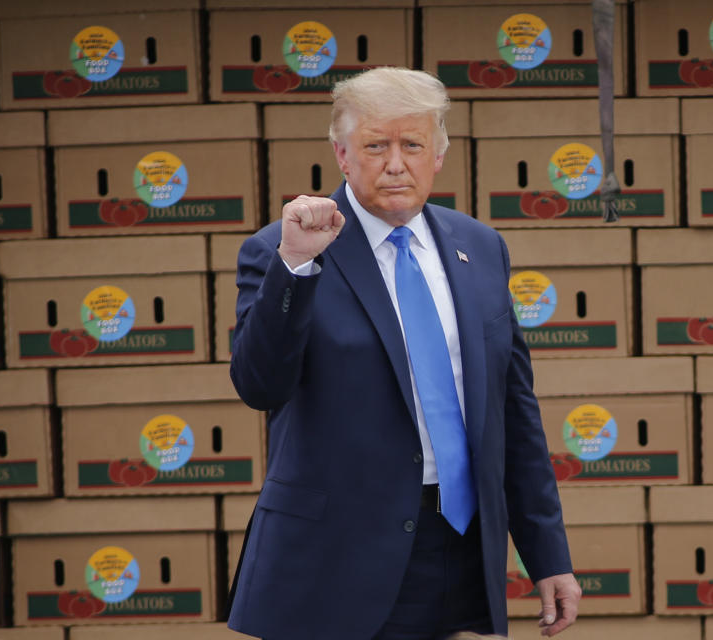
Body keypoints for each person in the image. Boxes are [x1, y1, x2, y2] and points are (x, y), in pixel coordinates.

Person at [227, 67, 581, 640]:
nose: (396, 163)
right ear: (342, 155)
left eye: (412, 144)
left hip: (457, 550)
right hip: (334, 562)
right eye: (376, 146)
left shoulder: (481, 247)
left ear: (437, 155)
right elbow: (259, 385)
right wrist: (295, 268)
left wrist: (548, 555)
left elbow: (515, 412)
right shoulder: (281, 249)